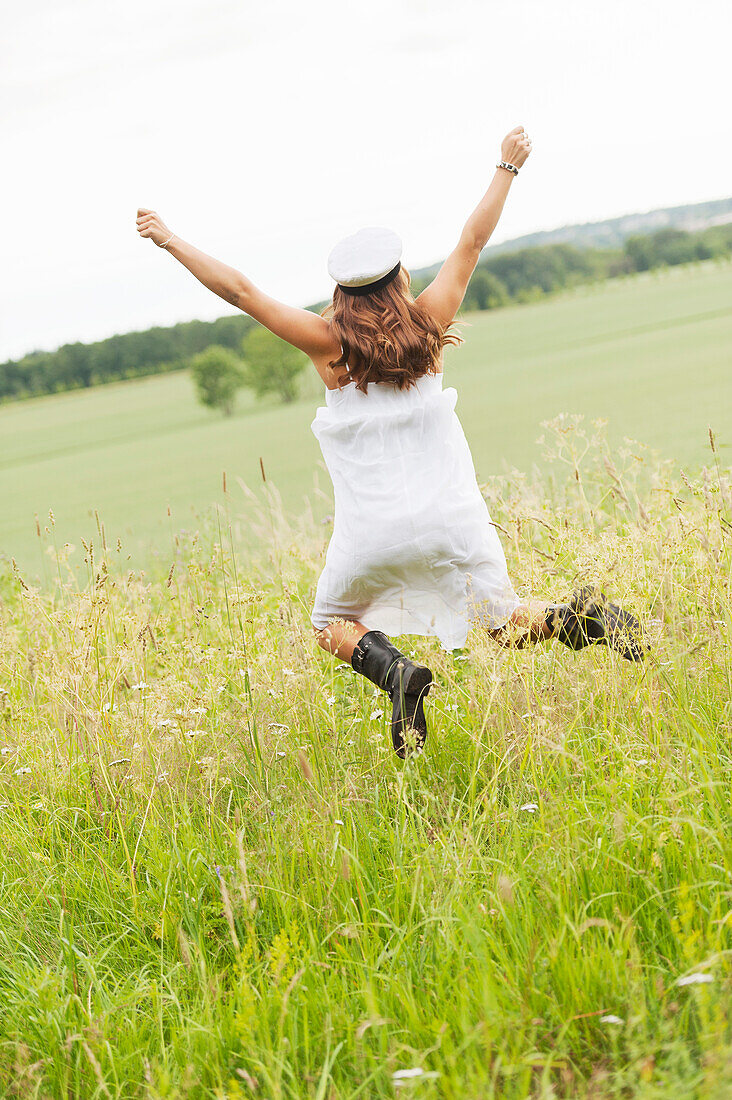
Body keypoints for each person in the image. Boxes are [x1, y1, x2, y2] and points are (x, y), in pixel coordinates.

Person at [136, 125, 647, 760]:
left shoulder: (330, 347)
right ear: (401, 277)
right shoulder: (430, 325)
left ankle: (396, 674)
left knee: (330, 624)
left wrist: (170, 238)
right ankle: (585, 619)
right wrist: (505, 169)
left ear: (341, 295)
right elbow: (471, 240)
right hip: (452, 520)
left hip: (370, 532)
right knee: (499, 619)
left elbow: (242, 293)